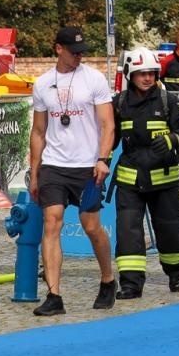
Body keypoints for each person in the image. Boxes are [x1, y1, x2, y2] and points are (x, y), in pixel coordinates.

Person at [27, 26, 117, 317]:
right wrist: (35, 170)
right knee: (51, 223)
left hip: (87, 166)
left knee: (91, 226)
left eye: (82, 52)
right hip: (54, 164)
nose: (80, 56)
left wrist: (103, 159)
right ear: (58, 49)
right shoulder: (42, 84)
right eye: (74, 51)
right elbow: (38, 131)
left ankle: (107, 279)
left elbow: (108, 124)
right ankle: (54, 296)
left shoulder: (94, 79)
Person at [111, 48, 179, 297]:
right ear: (130, 74)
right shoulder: (119, 103)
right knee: (128, 233)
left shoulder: (168, 101)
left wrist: (174, 138)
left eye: (151, 73)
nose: (147, 78)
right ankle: (130, 284)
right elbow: (107, 136)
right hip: (130, 182)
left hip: (164, 182)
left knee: (170, 231)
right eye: (142, 74)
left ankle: (175, 273)